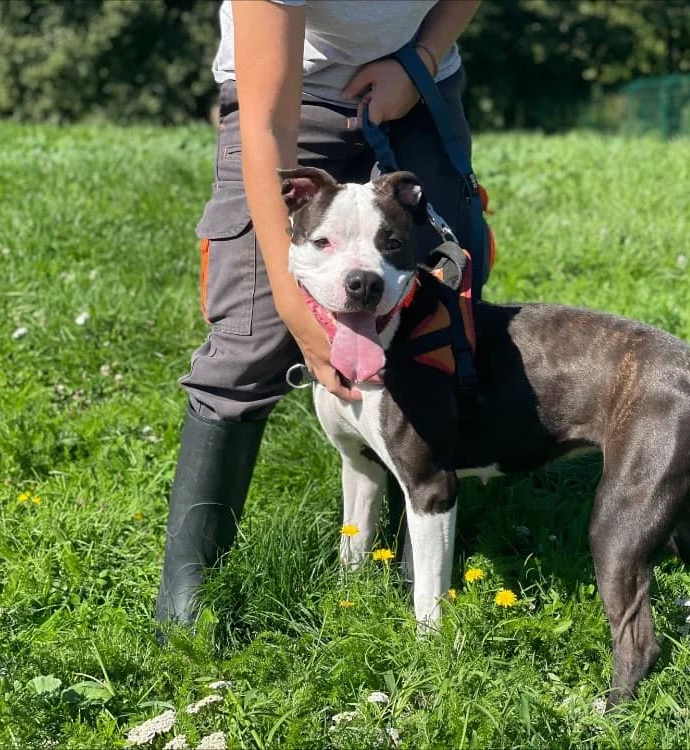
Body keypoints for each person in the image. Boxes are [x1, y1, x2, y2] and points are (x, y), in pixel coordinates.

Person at [155, 0, 482, 627]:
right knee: (249, 342)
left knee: (436, 314)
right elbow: (265, 132)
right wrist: (290, 301)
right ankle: (189, 601)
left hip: (419, 85)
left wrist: (419, 61)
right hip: (290, 103)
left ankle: (428, 548)